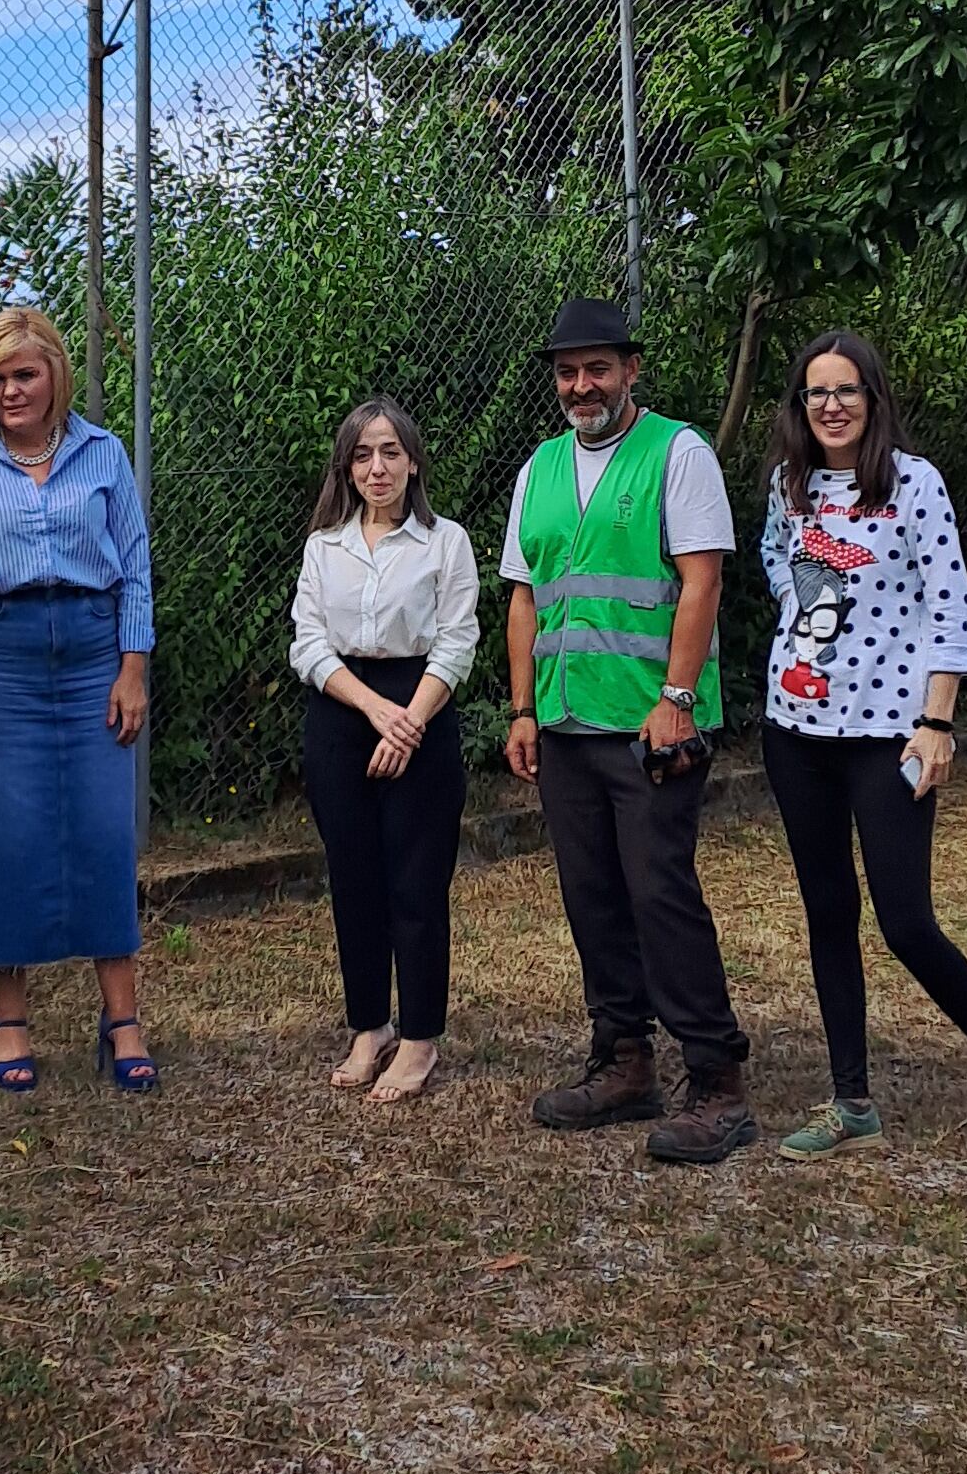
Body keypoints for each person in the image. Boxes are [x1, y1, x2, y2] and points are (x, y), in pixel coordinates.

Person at [754, 329, 967, 1166]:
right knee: (827, 914)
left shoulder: (914, 486)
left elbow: (954, 608)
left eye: (846, 391)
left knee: (906, 923)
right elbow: (780, 559)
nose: (831, 406)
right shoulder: (792, 486)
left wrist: (938, 722)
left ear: (874, 401)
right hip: (796, 729)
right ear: (800, 406)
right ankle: (851, 1100)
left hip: (890, 735)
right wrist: (803, 606)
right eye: (816, 393)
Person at [503, 296, 754, 1165]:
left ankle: (716, 1077)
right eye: (569, 372)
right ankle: (624, 1060)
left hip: (652, 725)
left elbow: (701, 582)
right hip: (567, 721)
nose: (582, 385)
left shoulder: (677, 453)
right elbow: (526, 596)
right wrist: (524, 708)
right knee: (593, 896)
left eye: (598, 369)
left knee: (660, 895)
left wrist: (676, 698)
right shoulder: (537, 468)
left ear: (630, 371)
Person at [0, 304, 157, 1092]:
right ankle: (9, 1015)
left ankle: (121, 1017)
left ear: (55, 374)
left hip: (92, 655)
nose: (12, 390)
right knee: (4, 835)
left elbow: (135, 569)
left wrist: (133, 669)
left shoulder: (104, 454)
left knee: (100, 829)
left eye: (24, 373)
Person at [289, 397, 481, 1099]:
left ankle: (421, 1036)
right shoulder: (324, 546)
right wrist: (374, 710)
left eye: (391, 451)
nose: (378, 467)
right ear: (347, 466)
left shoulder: (445, 542)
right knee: (355, 878)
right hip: (343, 710)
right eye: (364, 454)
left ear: (413, 461)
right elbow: (307, 642)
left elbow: (458, 640)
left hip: (421, 705)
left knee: (417, 883)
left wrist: (411, 721)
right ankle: (369, 1026)